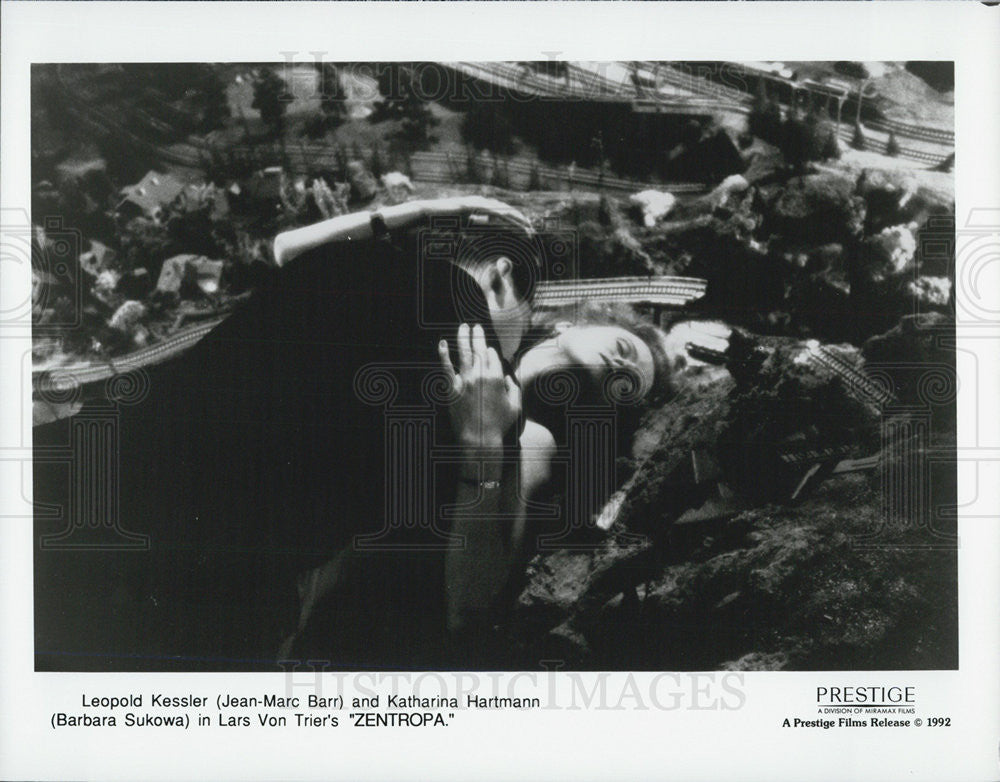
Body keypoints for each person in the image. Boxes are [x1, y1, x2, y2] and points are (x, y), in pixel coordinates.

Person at [33, 196, 540, 670]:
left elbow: (286, 246)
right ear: (501, 274)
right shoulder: (479, 365)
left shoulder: (330, 265)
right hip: (172, 601)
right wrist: (484, 444)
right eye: (530, 316)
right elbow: (468, 598)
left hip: (69, 472)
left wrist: (427, 208)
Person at [283, 304, 672, 666]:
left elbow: (467, 609)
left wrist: (481, 442)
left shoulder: (533, 441)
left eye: (629, 381)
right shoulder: (471, 335)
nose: (621, 364)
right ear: (569, 325)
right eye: (623, 347)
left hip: (341, 628)